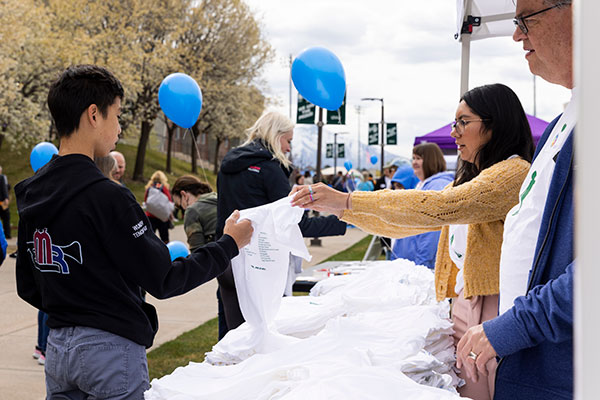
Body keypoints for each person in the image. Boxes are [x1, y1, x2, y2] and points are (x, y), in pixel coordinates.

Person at [14, 64, 253, 398]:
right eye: (117, 114)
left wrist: (71, 304)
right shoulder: (108, 195)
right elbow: (166, 278)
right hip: (108, 348)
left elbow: (28, 284)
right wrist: (229, 244)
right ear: (93, 115)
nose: (120, 126)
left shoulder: (31, 191)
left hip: (58, 347)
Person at [291, 83, 535, 400]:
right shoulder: (479, 174)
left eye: (463, 122)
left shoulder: (512, 172)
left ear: (494, 123)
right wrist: (343, 208)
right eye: (454, 123)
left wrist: (348, 201)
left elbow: (437, 208)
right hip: (469, 302)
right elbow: (410, 225)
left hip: (491, 307)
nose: (454, 133)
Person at [454, 2, 575, 399]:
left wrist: (513, 327)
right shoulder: (561, 125)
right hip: (533, 359)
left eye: (525, 20)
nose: (517, 34)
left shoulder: (508, 170)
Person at [216, 111, 347, 336]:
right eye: (288, 140)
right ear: (275, 136)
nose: (289, 148)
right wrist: (343, 219)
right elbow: (297, 225)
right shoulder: (269, 169)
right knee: (262, 338)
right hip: (259, 264)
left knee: (231, 339)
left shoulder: (228, 166)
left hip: (226, 258)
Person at [171, 175, 227, 337]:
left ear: (184, 195)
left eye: (179, 204)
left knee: (227, 327)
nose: (182, 209)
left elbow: (198, 253)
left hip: (225, 269)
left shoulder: (192, 211)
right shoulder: (218, 198)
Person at [390, 144, 454, 269]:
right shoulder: (422, 185)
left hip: (421, 267)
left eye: (419, 158)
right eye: (413, 158)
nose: (414, 162)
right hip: (410, 265)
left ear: (431, 160)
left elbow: (432, 231)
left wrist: (422, 265)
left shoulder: (437, 186)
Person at [144, 170, 172, 243]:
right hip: (162, 217)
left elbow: (146, 200)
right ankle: (166, 251)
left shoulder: (149, 188)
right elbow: (169, 200)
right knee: (164, 238)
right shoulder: (164, 188)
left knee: (150, 238)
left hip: (150, 216)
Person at [0, 166, 11, 239]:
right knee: (6, 218)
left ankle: (7, 234)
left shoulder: (2, 177)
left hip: (2, 201)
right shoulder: (2, 177)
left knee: (6, 218)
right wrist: (6, 197)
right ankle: (7, 234)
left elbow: (6, 187)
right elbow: (5, 188)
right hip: (2, 201)